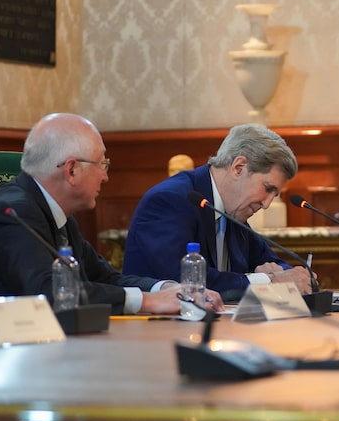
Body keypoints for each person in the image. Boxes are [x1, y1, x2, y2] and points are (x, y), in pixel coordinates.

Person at [0, 113, 224, 324]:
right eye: (102, 164)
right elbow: (51, 293)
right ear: (71, 170)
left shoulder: (57, 213)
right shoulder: (13, 214)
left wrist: (168, 289)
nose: (105, 176)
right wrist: (148, 302)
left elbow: (105, 277)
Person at [123, 124, 315, 301]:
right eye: (267, 188)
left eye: (275, 194)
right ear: (239, 167)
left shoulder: (233, 210)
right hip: (159, 325)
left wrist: (291, 275)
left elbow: (272, 262)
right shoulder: (170, 200)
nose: (267, 204)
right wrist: (269, 280)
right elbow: (189, 284)